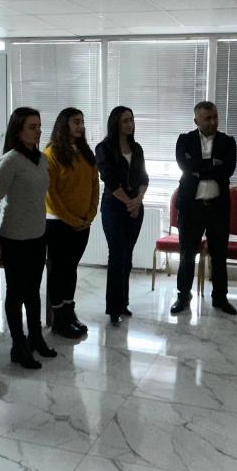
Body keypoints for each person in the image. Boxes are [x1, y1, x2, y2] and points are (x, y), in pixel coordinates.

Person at [0, 107, 56, 369]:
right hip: (14, 237)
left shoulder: (41, 159)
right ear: (18, 131)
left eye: (39, 126)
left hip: (38, 235)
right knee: (16, 293)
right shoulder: (10, 161)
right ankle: (18, 346)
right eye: (32, 127)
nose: (38, 131)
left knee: (33, 291)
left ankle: (36, 338)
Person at [171, 101, 237, 316]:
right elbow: (185, 166)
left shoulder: (228, 142)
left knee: (219, 255)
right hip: (191, 208)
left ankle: (220, 297)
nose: (212, 122)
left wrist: (199, 167)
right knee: (187, 255)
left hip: (217, 208)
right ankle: (183, 296)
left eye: (215, 117)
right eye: (207, 118)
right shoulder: (184, 140)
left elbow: (227, 170)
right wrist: (212, 165)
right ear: (196, 120)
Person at [45, 107, 99, 339]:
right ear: (64, 124)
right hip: (58, 224)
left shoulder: (85, 152)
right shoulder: (52, 153)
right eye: (76, 122)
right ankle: (59, 319)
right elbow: (50, 195)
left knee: (71, 269)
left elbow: (94, 185)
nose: (81, 126)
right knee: (58, 271)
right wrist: (72, 220)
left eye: (82, 122)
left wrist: (90, 215)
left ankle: (69, 312)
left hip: (82, 223)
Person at [95, 106, 149, 326]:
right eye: (125, 120)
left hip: (135, 207)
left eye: (131, 120)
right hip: (114, 207)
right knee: (116, 255)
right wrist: (129, 202)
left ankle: (123, 302)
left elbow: (144, 178)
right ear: (116, 123)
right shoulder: (104, 148)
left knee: (127, 255)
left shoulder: (136, 148)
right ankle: (113, 307)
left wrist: (138, 200)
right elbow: (109, 180)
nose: (130, 124)